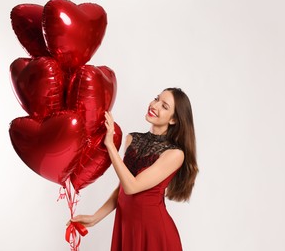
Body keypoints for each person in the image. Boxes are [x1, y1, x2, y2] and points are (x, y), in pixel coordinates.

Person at [70, 87, 198, 251]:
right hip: (126, 226)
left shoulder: (174, 154)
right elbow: (123, 187)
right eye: (156, 99)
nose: (155, 105)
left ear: (173, 120)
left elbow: (132, 186)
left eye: (164, 106)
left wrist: (110, 145)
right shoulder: (132, 139)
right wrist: (95, 218)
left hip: (153, 232)